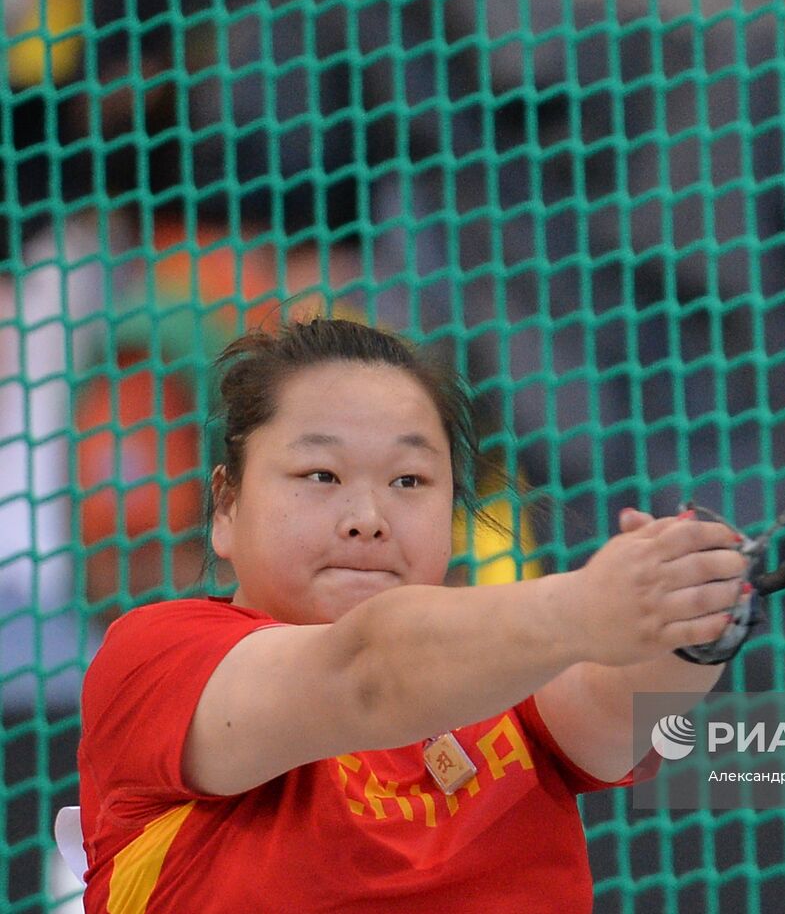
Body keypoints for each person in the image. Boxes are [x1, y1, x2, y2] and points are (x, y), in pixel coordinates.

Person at [74, 316, 750, 913]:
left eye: (409, 482)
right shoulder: (156, 654)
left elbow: (611, 708)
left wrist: (690, 617)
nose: (368, 520)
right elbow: (366, 674)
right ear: (226, 507)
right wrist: (586, 604)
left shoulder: (499, 664)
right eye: (321, 476)